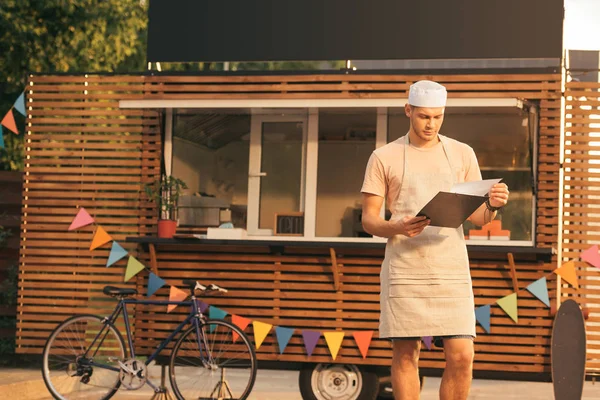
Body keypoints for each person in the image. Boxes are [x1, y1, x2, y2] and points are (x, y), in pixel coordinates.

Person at [360, 80, 509, 400]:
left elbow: (478, 217)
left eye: (438, 117)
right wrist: (396, 226)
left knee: (461, 355)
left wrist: (493, 206)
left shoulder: (461, 153)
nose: (431, 124)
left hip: (450, 267)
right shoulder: (383, 156)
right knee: (405, 355)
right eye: (424, 117)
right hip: (405, 266)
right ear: (408, 111)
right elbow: (369, 220)